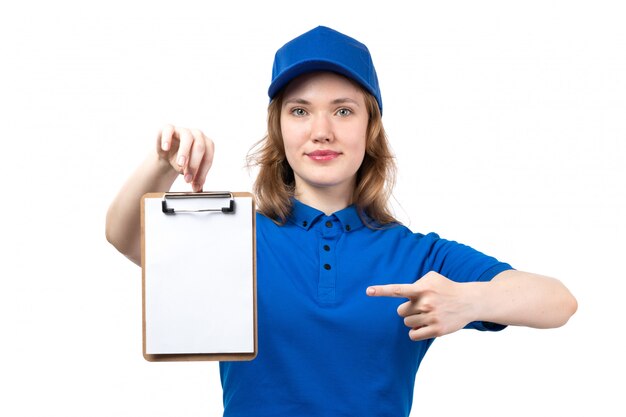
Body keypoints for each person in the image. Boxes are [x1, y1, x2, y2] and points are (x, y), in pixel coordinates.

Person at [106, 26, 577, 417]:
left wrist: (471, 299)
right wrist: (162, 163)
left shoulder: (416, 255)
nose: (321, 131)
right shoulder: (237, 237)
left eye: (343, 111)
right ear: (280, 129)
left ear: (369, 129)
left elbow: (558, 302)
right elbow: (124, 235)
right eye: (300, 111)